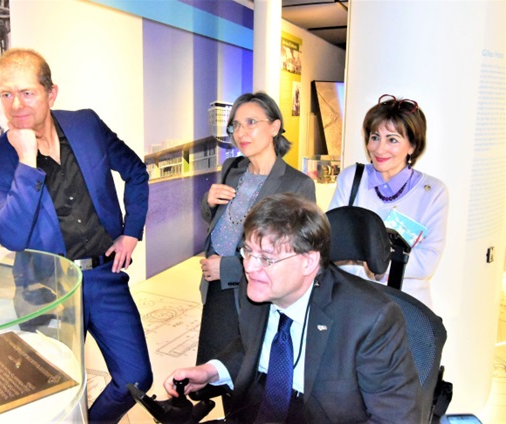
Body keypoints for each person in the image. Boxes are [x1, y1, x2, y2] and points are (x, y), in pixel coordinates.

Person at [0, 48, 152, 423]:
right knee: (55, 391)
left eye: (27, 93)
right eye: (6, 94)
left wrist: (131, 232)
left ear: (51, 93)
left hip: (104, 276)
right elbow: (11, 236)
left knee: (136, 378)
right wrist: (26, 161)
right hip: (46, 290)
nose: (16, 105)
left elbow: (136, 171)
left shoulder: (86, 125)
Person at [164, 193, 422, 423]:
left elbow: (397, 418)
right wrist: (210, 372)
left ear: (308, 262)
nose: (250, 267)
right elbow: (253, 347)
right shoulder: (259, 286)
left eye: (266, 258)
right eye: (248, 251)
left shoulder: (371, 319)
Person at [197, 92, 316, 372]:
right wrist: (208, 202)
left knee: (246, 373)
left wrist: (228, 267)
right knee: (211, 371)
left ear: (274, 127)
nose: (241, 132)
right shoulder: (232, 169)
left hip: (258, 294)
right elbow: (222, 222)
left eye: (251, 122)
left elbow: (293, 256)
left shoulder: (297, 184)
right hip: (216, 288)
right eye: (236, 125)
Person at [328, 94, 448, 308]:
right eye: (375, 137)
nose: (379, 148)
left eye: (392, 139)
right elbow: (332, 242)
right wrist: (388, 262)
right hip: (353, 301)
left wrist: (372, 263)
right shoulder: (351, 178)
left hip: (404, 305)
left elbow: (427, 262)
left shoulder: (433, 192)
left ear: (412, 146)